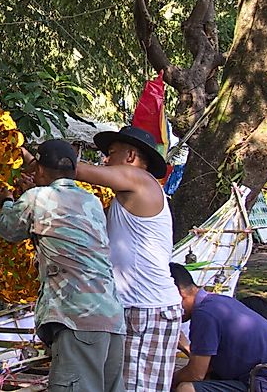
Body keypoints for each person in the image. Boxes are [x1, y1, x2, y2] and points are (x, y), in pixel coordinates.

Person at [0, 139, 125, 392]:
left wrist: (6, 200)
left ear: (40, 171)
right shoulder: (92, 202)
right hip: (111, 318)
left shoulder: (36, 197)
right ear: (74, 171)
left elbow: (8, 229)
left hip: (77, 319)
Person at [77, 125, 182, 392]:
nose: (105, 161)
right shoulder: (125, 197)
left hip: (147, 310)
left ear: (131, 156)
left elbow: (73, 169)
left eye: (111, 154)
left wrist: (25, 153)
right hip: (134, 309)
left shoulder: (139, 180)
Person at [169, 263, 267, 392]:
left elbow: (196, 374)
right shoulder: (219, 301)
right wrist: (187, 348)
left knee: (185, 389)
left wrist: (167, 380)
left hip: (266, 382)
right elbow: (206, 366)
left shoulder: (204, 314)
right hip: (261, 376)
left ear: (180, 294)